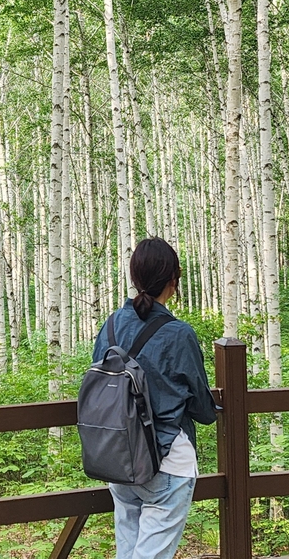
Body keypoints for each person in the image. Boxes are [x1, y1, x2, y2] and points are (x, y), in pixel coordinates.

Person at [93, 236, 218, 559]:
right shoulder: (179, 334)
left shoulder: (110, 327)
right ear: (173, 281)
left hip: (118, 456)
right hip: (166, 458)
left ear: (135, 278)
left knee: (130, 551)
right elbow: (203, 410)